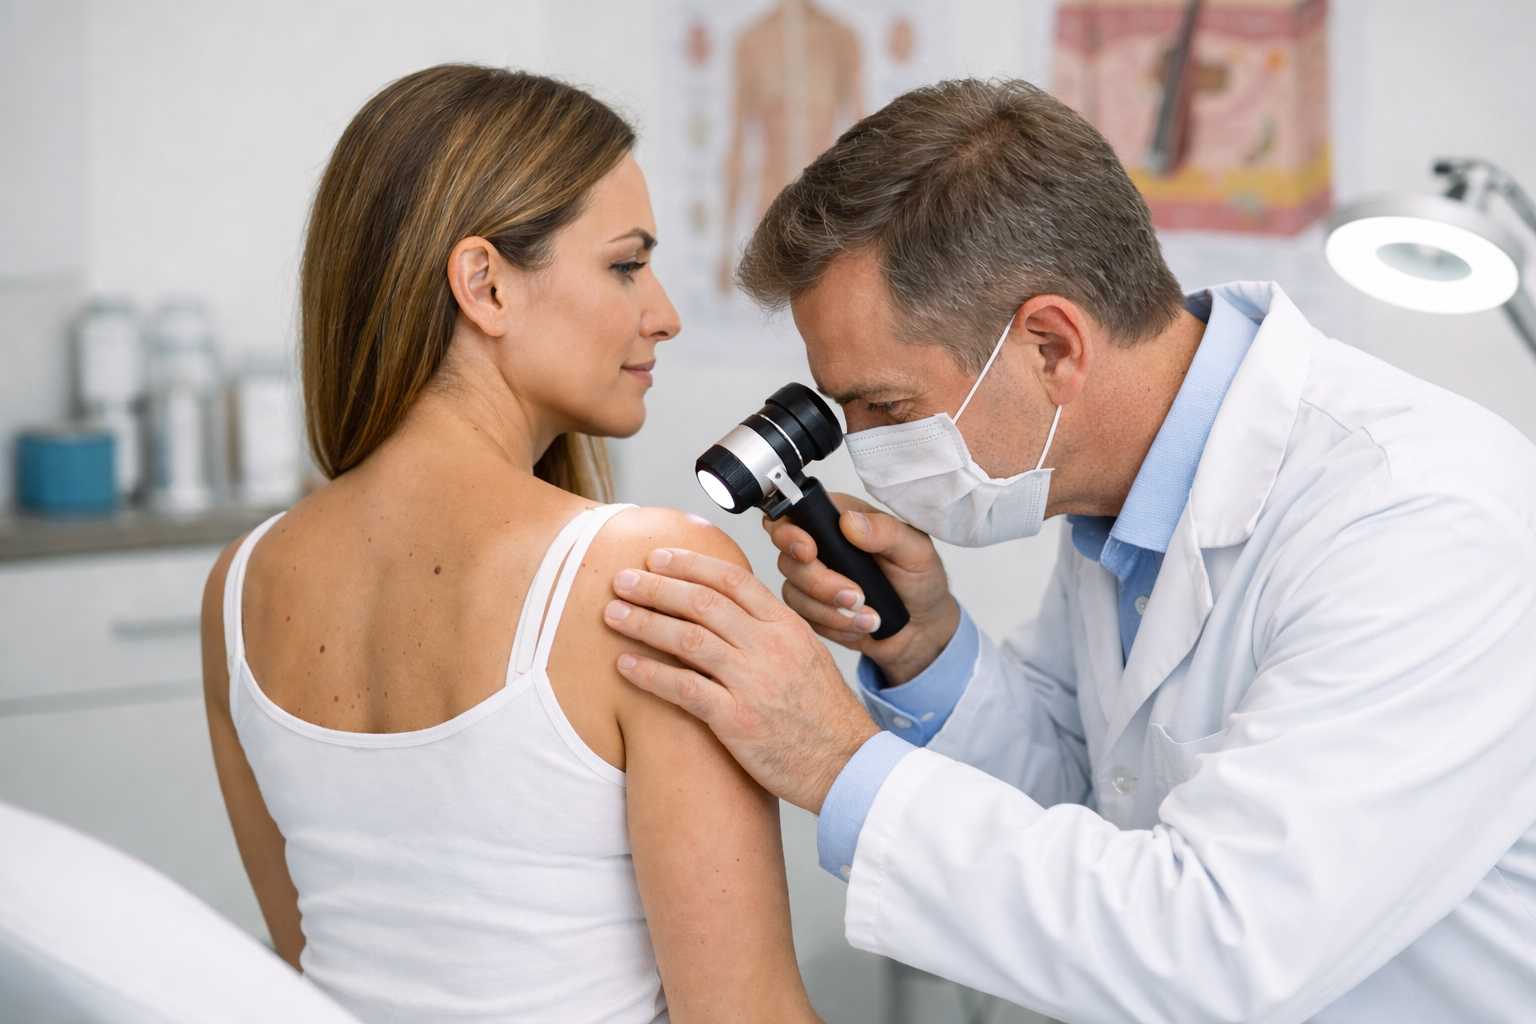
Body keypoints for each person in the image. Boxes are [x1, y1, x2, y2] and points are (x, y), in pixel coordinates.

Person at [600, 79, 1536, 1023]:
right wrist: (925, 649)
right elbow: (1091, 802)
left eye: (886, 406)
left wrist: (835, 760)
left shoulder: (1422, 519)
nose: (869, 451)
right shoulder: (1117, 499)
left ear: (1051, 347)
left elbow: (1220, 949)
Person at [199, 65, 821, 1024]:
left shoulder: (241, 588)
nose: (663, 314)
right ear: (484, 285)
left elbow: (311, 961)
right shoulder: (649, 576)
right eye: (626, 265)